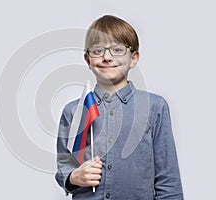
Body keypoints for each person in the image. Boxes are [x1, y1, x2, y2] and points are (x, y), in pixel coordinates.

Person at [55, 15, 183, 199]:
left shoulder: (155, 108)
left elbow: (168, 179)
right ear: (87, 59)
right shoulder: (74, 111)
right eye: (98, 50)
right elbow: (64, 164)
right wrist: (73, 177)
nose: (107, 57)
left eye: (117, 49)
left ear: (134, 58)